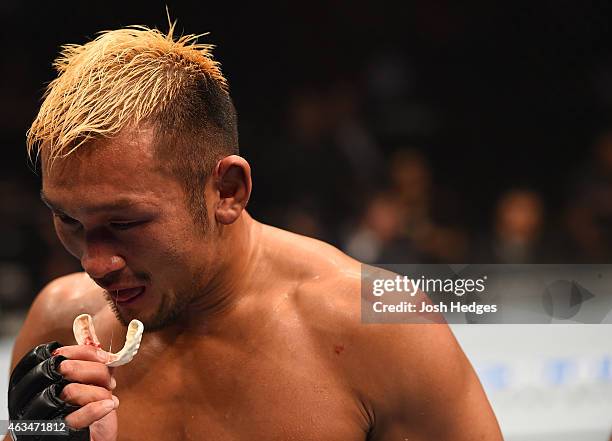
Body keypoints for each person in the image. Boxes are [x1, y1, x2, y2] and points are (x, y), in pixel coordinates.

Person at [4, 22, 503, 440]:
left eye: (126, 222)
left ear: (227, 190)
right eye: (68, 219)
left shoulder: (381, 329)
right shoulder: (59, 328)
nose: (95, 264)